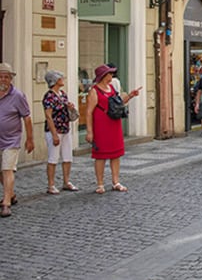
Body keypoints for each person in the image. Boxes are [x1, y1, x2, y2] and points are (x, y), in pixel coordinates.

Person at [86, 64, 141, 192]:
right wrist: (89, 131)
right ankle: (100, 184)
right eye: (109, 74)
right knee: (100, 155)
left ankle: (115, 181)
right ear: (103, 76)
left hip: (114, 124)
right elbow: (89, 112)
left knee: (115, 154)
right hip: (101, 126)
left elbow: (119, 103)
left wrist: (131, 95)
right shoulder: (94, 91)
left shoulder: (111, 87)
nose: (111, 76)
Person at [0, 63, 34, 217]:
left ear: (11, 79)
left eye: (6, 77)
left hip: (11, 139)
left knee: (7, 169)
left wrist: (30, 139)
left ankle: (6, 204)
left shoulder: (18, 96)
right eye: (0, 77)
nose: (3, 80)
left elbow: (27, 118)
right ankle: (11, 194)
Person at [42, 70, 78, 194]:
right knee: (53, 158)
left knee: (68, 156)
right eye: (60, 78)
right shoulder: (49, 96)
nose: (62, 79)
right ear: (55, 80)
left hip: (65, 128)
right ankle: (51, 185)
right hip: (55, 130)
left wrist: (70, 107)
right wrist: (54, 134)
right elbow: (48, 116)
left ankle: (66, 181)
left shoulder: (62, 94)